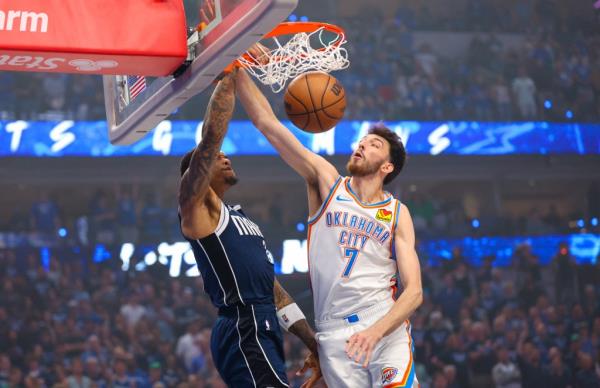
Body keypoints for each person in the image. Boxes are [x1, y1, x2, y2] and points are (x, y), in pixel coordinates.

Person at [237, 69, 423, 387]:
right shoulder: (327, 182)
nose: (362, 147)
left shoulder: (396, 213)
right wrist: (234, 69)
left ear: (387, 166)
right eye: (361, 142)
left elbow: (414, 292)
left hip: (382, 324)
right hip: (333, 336)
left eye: (374, 144)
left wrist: (375, 332)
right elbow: (268, 125)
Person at [178, 69, 321, 387]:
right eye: (217, 158)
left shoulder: (241, 219)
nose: (225, 157)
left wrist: (312, 344)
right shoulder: (198, 207)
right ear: (196, 175)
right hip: (243, 323)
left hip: (262, 321)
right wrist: (229, 70)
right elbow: (212, 136)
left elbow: (274, 290)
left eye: (226, 155)